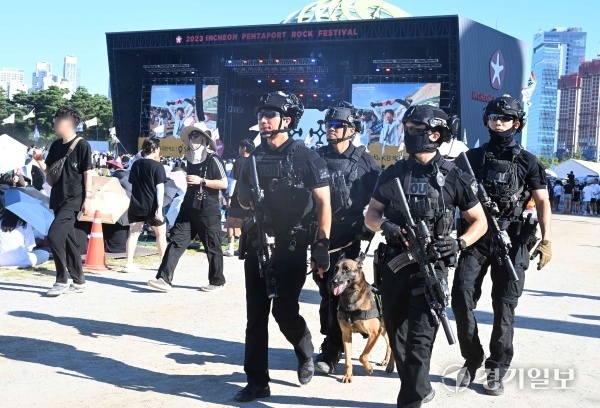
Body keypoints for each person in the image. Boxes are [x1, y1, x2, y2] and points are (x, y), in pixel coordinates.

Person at [365, 104, 487, 407]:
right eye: (407, 127)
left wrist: (458, 243)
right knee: (396, 331)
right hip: (395, 265)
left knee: (420, 338)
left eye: (415, 128)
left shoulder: (454, 176)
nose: (408, 133)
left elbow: (480, 222)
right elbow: (370, 214)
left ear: (435, 133)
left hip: (431, 266)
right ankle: (420, 388)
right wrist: (386, 226)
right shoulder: (392, 173)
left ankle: (410, 400)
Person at [234, 91, 331, 402]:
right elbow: (240, 198)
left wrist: (321, 245)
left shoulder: (306, 156)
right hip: (258, 242)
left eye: (271, 114)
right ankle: (257, 381)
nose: (263, 120)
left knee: (285, 311)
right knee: (256, 315)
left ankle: (304, 351)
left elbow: (323, 202)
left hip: (291, 244)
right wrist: (249, 202)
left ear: (287, 120)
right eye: (261, 114)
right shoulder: (252, 157)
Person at [452, 95, 552, 396]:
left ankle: (496, 369)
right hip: (476, 239)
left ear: (516, 123)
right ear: (486, 120)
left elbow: (543, 200)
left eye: (505, 118)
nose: (498, 123)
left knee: (504, 307)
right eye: (494, 117)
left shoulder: (528, 161)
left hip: (513, 241)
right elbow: (451, 198)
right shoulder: (470, 159)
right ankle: (472, 359)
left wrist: (547, 240)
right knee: (461, 298)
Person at [313, 102, 381, 374]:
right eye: (329, 125)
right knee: (325, 293)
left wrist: (373, 223)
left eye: (337, 125)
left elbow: (380, 198)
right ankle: (337, 338)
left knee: (336, 291)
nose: (331, 129)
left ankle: (332, 350)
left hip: (349, 238)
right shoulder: (316, 157)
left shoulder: (365, 160)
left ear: (352, 130)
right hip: (321, 236)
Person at [147, 123, 227, 292]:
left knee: (212, 246)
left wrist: (202, 181)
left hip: (208, 209)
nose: (192, 139)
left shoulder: (214, 159)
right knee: (176, 240)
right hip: (188, 207)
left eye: (195, 135)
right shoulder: (189, 158)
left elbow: (224, 183)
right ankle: (164, 279)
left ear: (204, 139)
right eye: (190, 136)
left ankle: (217, 281)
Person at [33, 106, 94, 297]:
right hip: (58, 198)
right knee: (68, 239)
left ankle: (61, 279)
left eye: (57, 120)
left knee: (54, 235)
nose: (55, 123)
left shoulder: (82, 145)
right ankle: (79, 280)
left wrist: (89, 197)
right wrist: (39, 161)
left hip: (74, 199)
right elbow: (50, 172)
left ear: (68, 122)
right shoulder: (56, 145)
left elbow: (87, 172)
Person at [122, 138, 168, 272]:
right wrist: (159, 208)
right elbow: (160, 188)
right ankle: (162, 263)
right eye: (158, 148)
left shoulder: (136, 165)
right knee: (161, 234)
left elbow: (131, 182)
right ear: (154, 149)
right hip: (152, 205)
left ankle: (128, 263)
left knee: (133, 233)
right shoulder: (157, 166)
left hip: (136, 204)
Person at [224, 139, 254, 257]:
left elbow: (233, 181)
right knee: (246, 223)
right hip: (250, 197)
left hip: (237, 195)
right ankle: (244, 248)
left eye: (240, 147)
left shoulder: (238, 162)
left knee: (230, 221)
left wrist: (229, 197)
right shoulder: (254, 161)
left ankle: (230, 248)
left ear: (244, 148)